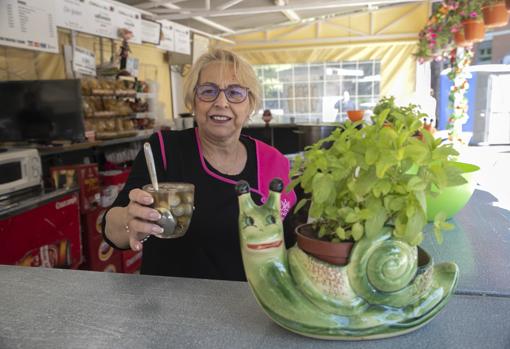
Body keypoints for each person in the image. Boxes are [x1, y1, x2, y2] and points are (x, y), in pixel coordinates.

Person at [102, 49, 297, 281]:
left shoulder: (273, 162)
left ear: (250, 105)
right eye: (208, 91)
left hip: (249, 304)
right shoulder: (164, 150)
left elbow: (289, 245)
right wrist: (129, 220)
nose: (221, 102)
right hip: (168, 305)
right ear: (193, 102)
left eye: (235, 93)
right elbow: (111, 228)